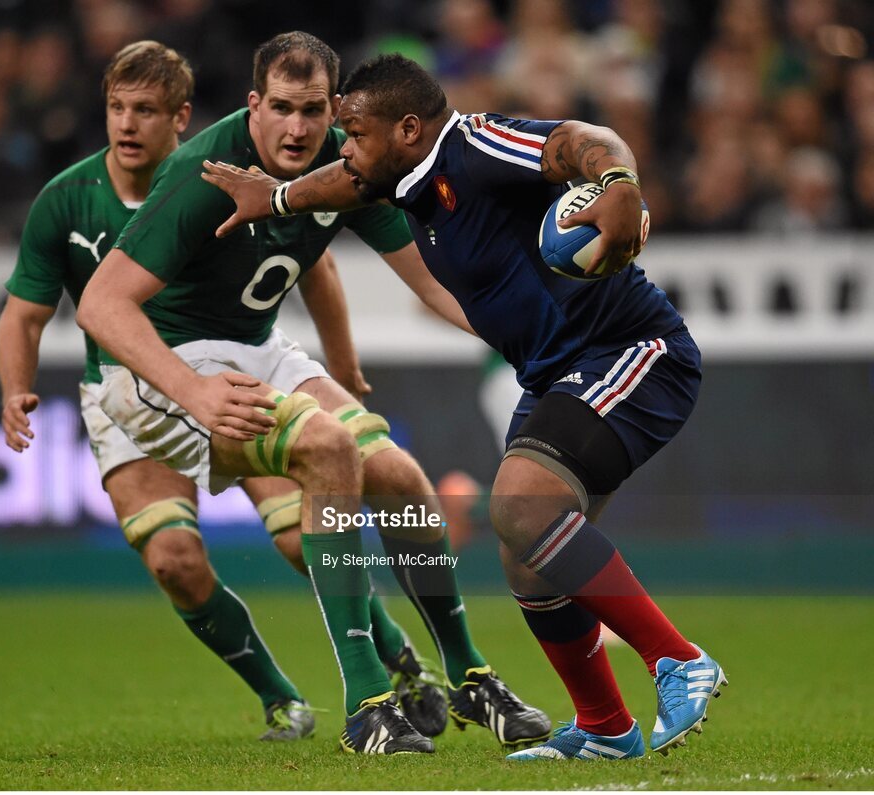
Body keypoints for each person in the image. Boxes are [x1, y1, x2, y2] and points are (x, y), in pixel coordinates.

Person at [202, 53, 728, 762]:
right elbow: (347, 181)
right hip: (555, 373)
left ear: (409, 129)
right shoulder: (400, 179)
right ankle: (606, 726)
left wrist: (620, 183)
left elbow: (579, 139)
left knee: (521, 507)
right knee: (526, 559)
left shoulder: (475, 146)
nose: (344, 148)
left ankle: (678, 660)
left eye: (356, 134)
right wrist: (276, 199)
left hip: (631, 350)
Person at [78, 33, 551, 755]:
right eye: (281, 108)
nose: (296, 128)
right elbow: (101, 305)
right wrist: (193, 391)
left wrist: (533, 340)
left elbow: (428, 283)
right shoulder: (205, 172)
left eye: (311, 111)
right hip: (159, 369)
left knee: (399, 474)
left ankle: (468, 672)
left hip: (258, 348)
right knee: (330, 448)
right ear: (254, 106)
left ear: (335, 109)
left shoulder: (348, 159)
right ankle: (368, 703)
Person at [0, 40, 431, 745]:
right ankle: (282, 697)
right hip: (126, 392)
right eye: (116, 108)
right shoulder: (65, 200)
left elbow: (314, 267)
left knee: (300, 535)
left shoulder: (216, 177)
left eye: (146, 110)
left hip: (225, 370)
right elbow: (25, 314)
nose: (128, 124)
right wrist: (15, 388)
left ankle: (394, 658)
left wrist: (343, 365)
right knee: (174, 561)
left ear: (181, 118)